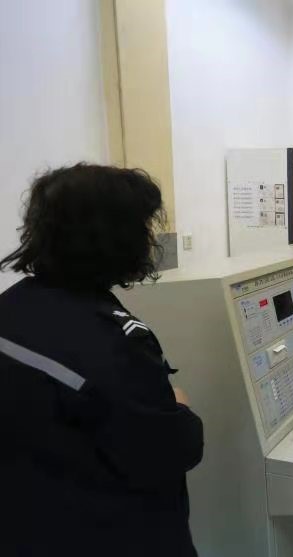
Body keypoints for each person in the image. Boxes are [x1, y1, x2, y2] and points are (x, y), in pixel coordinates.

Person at [0, 164, 204, 557]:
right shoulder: (116, 344)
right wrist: (179, 408)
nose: (150, 237)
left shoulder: (10, 309)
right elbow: (169, 452)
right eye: (143, 227)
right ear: (117, 239)